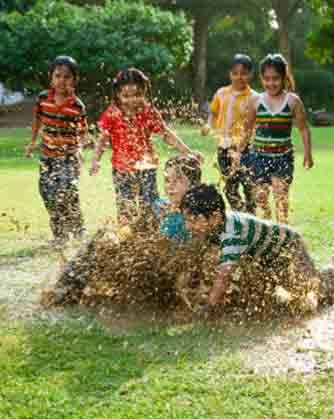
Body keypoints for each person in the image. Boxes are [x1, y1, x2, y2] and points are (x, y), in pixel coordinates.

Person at [48, 155, 203, 304]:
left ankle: (64, 292)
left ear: (194, 184)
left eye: (178, 180)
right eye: (168, 180)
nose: (170, 186)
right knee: (104, 237)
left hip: (164, 273)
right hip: (146, 265)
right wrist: (116, 237)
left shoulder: (197, 217)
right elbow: (134, 229)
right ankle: (66, 289)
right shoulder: (160, 206)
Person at [180, 184, 334, 310]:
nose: (188, 226)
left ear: (215, 217)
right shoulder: (214, 227)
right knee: (282, 293)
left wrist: (208, 308)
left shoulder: (232, 234)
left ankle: (333, 268)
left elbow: (224, 276)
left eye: (193, 220)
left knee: (311, 290)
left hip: (289, 247)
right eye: (186, 220)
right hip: (266, 256)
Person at [90, 68, 202, 224]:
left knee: (150, 207)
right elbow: (102, 139)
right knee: (125, 207)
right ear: (118, 94)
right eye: (126, 96)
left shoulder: (148, 112)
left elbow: (166, 134)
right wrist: (96, 160)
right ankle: (127, 238)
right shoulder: (112, 113)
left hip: (146, 167)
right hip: (121, 169)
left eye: (137, 95)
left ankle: (152, 235)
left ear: (144, 91)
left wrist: (188, 152)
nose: (132, 101)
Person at [25, 56, 88, 250]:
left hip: (69, 157)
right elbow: (37, 119)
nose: (62, 80)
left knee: (67, 191)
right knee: (47, 193)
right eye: (58, 76)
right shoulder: (43, 99)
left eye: (67, 77)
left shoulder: (77, 106)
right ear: (51, 78)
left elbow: (83, 132)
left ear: (74, 80)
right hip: (47, 156)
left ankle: (78, 229)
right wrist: (33, 141)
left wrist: (80, 149)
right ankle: (60, 234)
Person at [241, 53, 313, 223]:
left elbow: (303, 128)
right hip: (258, 157)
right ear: (261, 78)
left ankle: (283, 231)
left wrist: (308, 154)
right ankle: (266, 227)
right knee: (261, 198)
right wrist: (238, 153)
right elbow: (247, 130)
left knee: (281, 199)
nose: (271, 83)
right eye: (267, 79)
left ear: (284, 78)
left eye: (275, 78)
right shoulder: (256, 101)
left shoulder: (292, 101)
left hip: (283, 157)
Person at [201, 54, 257, 214]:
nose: (239, 77)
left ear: (250, 75)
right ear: (230, 74)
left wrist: (243, 146)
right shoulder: (221, 93)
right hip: (224, 147)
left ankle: (252, 217)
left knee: (248, 185)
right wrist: (208, 125)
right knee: (230, 188)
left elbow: (254, 125)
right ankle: (241, 216)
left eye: (244, 73)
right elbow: (213, 113)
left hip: (245, 149)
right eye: (235, 73)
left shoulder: (254, 98)